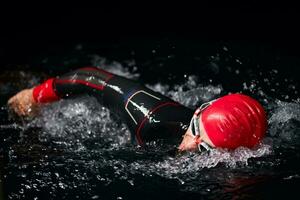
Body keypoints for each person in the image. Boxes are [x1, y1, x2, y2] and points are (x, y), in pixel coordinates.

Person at [7, 66, 267, 152]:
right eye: (195, 129)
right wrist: (34, 96)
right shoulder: (152, 117)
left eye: (204, 148)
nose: (193, 142)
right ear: (197, 112)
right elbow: (88, 78)